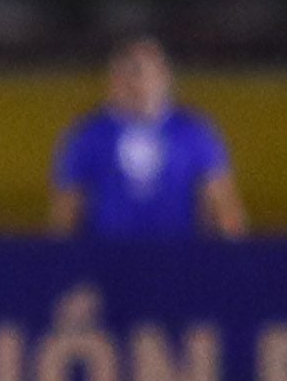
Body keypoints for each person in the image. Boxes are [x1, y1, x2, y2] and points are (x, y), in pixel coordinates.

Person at [49, 37, 248, 240]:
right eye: (126, 74)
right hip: (107, 260)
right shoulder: (88, 135)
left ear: (164, 77)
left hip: (180, 259)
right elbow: (66, 209)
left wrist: (233, 261)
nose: (136, 84)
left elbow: (223, 204)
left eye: (143, 73)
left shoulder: (192, 132)